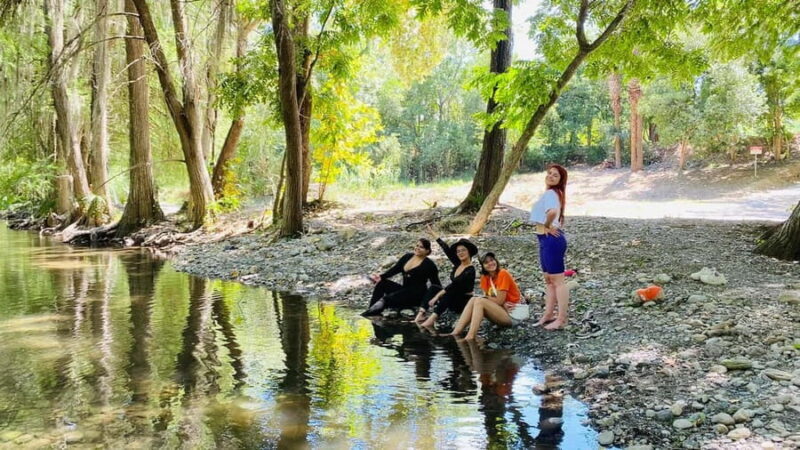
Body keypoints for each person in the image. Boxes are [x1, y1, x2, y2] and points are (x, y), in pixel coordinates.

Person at [529, 164, 569, 331]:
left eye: (555, 175)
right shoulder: (552, 193)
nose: (551, 176)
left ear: (560, 181)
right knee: (549, 280)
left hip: (552, 240)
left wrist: (546, 225)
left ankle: (561, 319)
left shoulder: (551, 193)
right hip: (544, 240)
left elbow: (552, 212)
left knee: (558, 282)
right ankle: (548, 314)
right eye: (549, 173)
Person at [448, 252, 522, 340]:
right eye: (486, 262)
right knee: (474, 299)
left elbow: (498, 301)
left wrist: (484, 297)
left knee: (479, 300)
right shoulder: (485, 278)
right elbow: (493, 301)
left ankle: (470, 336)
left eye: (492, 260)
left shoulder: (503, 274)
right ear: (483, 266)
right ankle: (456, 332)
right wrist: (484, 298)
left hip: (513, 315)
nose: (490, 263)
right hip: (500, 311)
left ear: (496, 261)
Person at [414, 225, 478, 327]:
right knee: (434, 287)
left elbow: (454, 285)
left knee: (450, 291)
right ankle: (421, 314)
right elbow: (446, 249)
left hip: (463, 302)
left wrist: (436, 297)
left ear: (469, 252)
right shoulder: (458, 264)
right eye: (458, 251)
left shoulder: (470, 270)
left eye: (463, 250)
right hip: (452, 297)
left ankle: (431, 320)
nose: (460, 253)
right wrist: (434, 235)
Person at [362, 238, 441, 316]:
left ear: (427, 251)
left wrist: (435, 300)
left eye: (421, 247)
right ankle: (371, 308)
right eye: (417, 245)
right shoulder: (407, 257)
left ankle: (368, 314)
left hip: (416, 296)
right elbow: (395, 269)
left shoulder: (429, 265)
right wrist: (381, 277)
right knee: (381, 283)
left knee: (387, 299)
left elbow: (436, 285)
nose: (417, 248)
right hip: (404, 290)